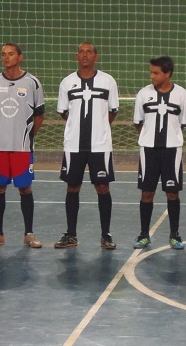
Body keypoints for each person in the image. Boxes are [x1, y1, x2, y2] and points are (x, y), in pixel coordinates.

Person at [54, 42, 119, 250]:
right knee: (72, 187)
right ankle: (71, 234)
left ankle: (106, 235)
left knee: (103, 187)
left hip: (100, 145)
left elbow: (112, 111)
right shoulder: (67, 83)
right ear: (76, 56)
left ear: (95, 57)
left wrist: (98, 128)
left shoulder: (108, 81)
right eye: (81, 52)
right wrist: (77, 127)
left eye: (89, 52)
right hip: (74, 145)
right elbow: (64, 112)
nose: (84, 55)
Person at [0, 43, 45, 248]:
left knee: (25, 188)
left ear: (20, 57)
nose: (6, 58)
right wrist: (2, 130)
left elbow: (39, 115)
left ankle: (29, 234)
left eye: (10, 54)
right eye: (3, 54)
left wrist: (27, 135)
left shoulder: (32, 83)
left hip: (22, 147)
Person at [132, 56, 186, 250]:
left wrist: (170, 138)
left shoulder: (181, 94)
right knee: (147, 192)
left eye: (156, 73)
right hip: (148, 151)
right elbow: (138, 122)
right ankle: (144, 234)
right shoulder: (143, 94)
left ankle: (174, 234)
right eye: (151, 72)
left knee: (172, 193)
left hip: (172, 151)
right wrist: (149, 138)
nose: (152, 76)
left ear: (168, 73)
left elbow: (182, 123)